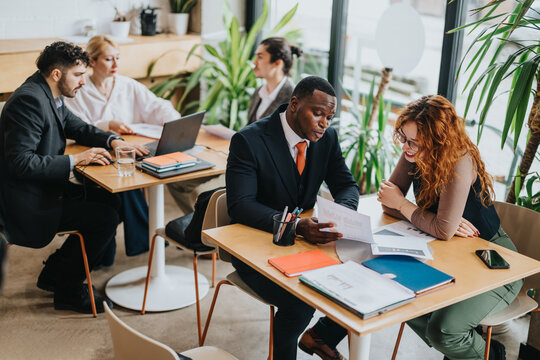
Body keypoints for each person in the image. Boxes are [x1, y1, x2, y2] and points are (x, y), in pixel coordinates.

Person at [0, 41, 146, 313]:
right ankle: (68, 290)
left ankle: (55, 273)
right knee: (105, 218)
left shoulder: (49, 93)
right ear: (57, 74)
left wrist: (113, 141)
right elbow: (20, 163)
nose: (83, 81)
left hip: (43, 187)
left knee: (111, 200)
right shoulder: (29, 100)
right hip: (26, 202)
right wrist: (75, 160)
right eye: (78, 75)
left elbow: (76, 126)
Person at [377, 95, 523, 360]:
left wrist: (410, 208)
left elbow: (438, 227)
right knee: (398, 300)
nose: (406, 147)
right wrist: (431, 219)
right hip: (452, 256)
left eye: (414, 142)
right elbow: (389, 204)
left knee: (444, 330)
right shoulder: (415, 154)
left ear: (437, 141)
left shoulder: (458, 161)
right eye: (403, 138)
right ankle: (471, 350)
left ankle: (490, 355)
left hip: (494, 261)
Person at [227, 76, 359, 360]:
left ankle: (321, 336)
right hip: (254, 246)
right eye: (318, 114)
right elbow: (240, 205)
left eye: (330, 116)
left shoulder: (327, 139)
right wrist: (297, 226)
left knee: (364, 273)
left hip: (306, 247)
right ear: (295, 104)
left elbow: (346, 185)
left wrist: (344, 213)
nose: (324, 123)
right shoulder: (248, 140)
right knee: (300, 302)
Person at [65, 35, 180, 264]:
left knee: (133, 172)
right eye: (109, 59)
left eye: (118, 58)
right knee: (124, 181)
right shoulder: (80, 89)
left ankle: (107, 252)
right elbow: (74, 126)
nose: (116, 65)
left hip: (128, 151)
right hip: (92, 155)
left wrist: (176, 122)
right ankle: (145, 241)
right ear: (92, 61)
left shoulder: (127, 85)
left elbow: (158, 106)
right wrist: (107, 125)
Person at [247, 37, 302, 125]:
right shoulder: (258, 92)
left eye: (260, 57)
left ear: (277, 63)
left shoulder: (294, 99)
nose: (254, 63)